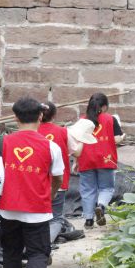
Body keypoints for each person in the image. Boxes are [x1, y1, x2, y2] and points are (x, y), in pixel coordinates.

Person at [0, 97, 65, 268]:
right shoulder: (51, 147)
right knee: (38, 252)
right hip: (38, 211)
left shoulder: (1, 143)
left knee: (11, 253)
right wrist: (50, 196)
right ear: (41, 116)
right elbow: (58, 178)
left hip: (8, 210)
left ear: (15, 118)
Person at [37, 102, 97, 243]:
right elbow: (77, 152)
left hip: (34, 180)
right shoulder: (63, 132)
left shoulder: (32, 131)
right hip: (58, 181)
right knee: (55, 218)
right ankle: (45, 247)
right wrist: (82, 138)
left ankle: (33, 245)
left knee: (35, 216)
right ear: (54, 115)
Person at [77, 93, 124, 229]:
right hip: (106, 159)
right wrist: (123, 136)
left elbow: (77, 141)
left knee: (87, 190)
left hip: (86, 159)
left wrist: (76, 161)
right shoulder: (111, 119)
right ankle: (101, 206)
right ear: (104, 106)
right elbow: (116, 139)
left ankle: (88, 220)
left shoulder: (82, 120)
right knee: (106, 188)